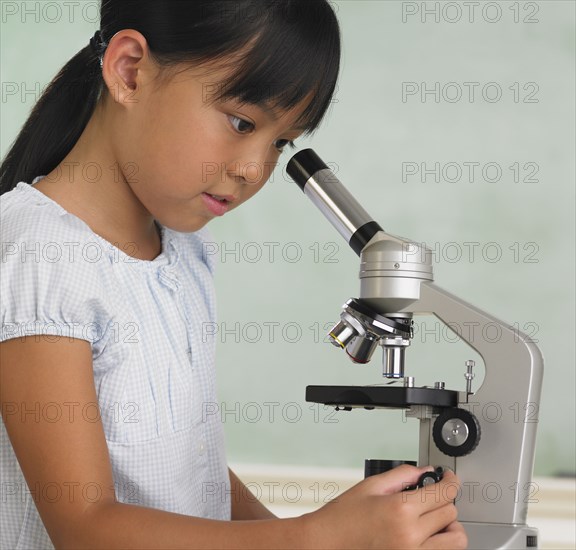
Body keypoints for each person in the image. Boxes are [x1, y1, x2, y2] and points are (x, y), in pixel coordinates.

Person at [0, 1, 467, 548]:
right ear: (130, 70)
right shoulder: (42, 254)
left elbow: (190, 470)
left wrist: (332, 537)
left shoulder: (185, 250)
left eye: (279, 142)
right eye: (241, 121)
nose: (254, 169)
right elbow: (86, 528)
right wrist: (316, 539)